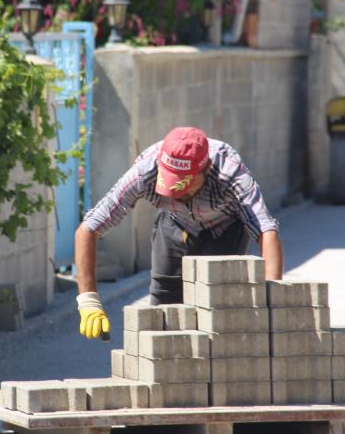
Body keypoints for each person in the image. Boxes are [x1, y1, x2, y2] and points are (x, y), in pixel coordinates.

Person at [74, 126, 284, 338]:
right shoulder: (145, 172)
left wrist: (272, 299)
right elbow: (88, 229)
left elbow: (266, 230)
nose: (177, 192)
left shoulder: (229, 172)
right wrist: (88, 301)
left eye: (185, 184)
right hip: (175, 224)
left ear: (207, 168)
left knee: (215, 304)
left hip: (224, 229)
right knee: (163, 311)